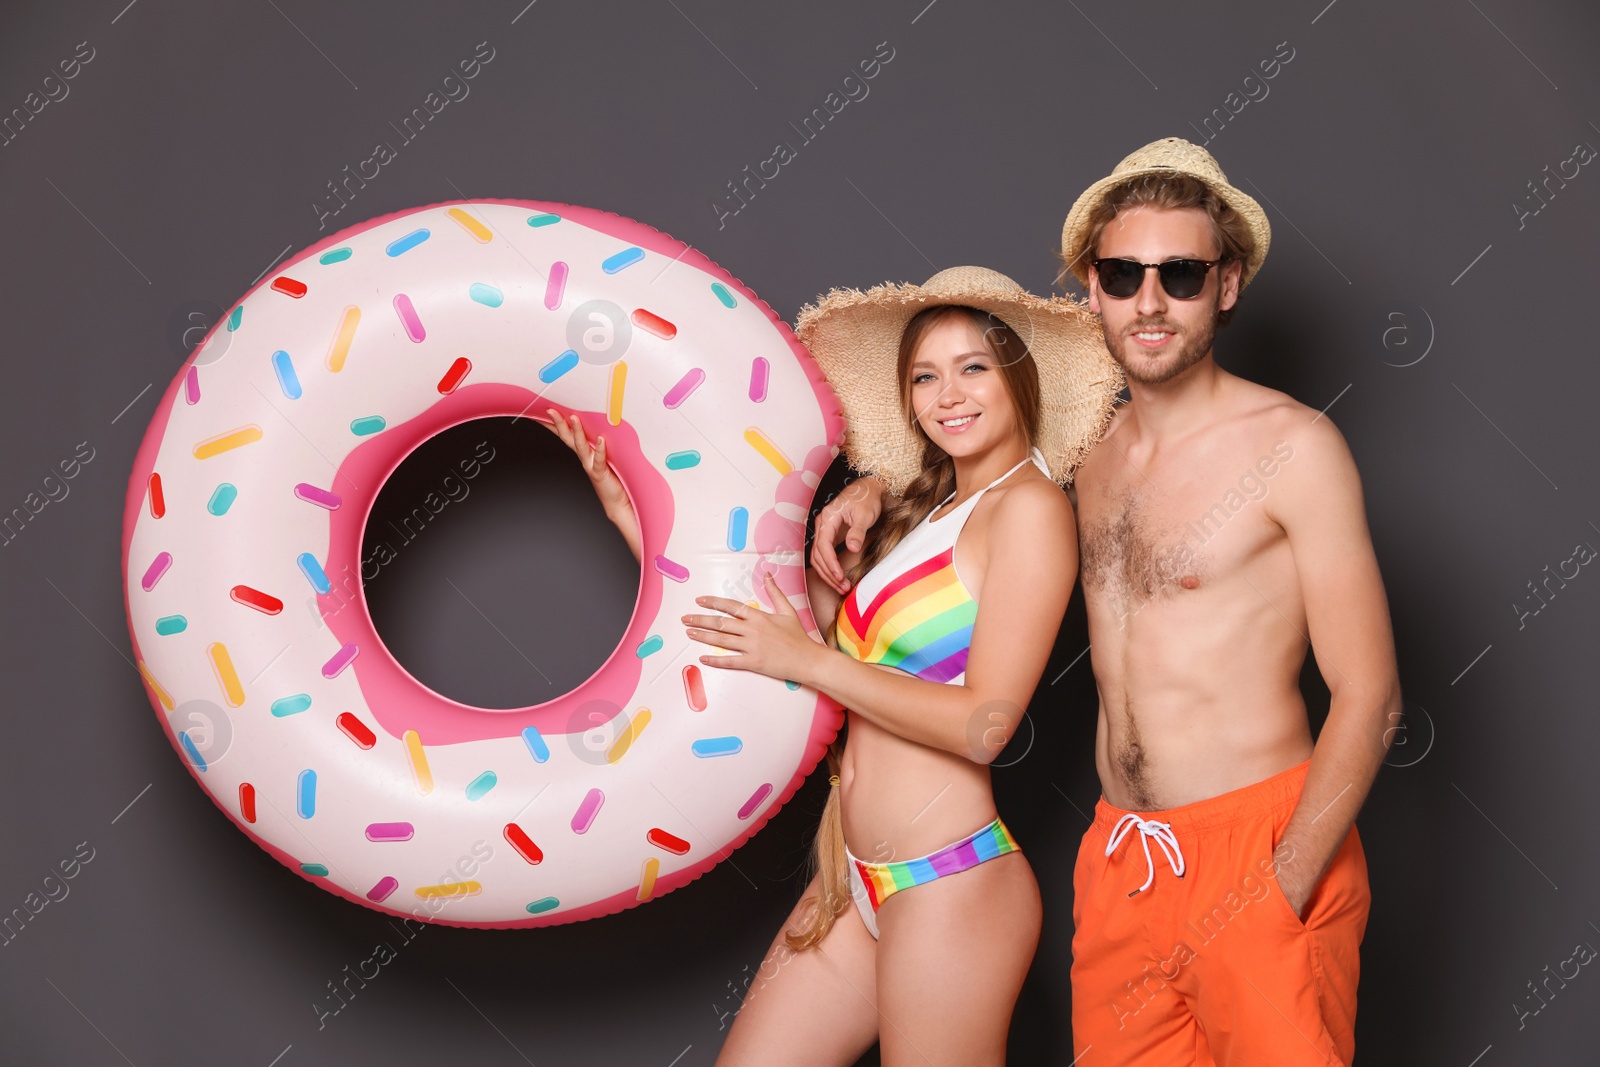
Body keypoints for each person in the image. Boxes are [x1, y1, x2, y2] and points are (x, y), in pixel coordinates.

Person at [810, 139, 1401, 1066]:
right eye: (1124, 274)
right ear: (1093, 288)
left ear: (1228, 283)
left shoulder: (1295, 447)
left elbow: (1371, 695)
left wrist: (1284, 882)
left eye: (1182, 274)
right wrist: (872, 488)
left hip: (1258, 851)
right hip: (1122, 860)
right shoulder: (1083, 457)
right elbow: (973, 453)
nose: (1151, 300)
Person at [548, 265, 1121, 1065]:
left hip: (950, 882)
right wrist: (633, 517)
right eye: (924, 376)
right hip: (854, 879)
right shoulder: (931, 517)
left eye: (972, 368)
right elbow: (780, 626)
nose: (947, 394)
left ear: (1017, 376)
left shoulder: (1031, 510)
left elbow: (985, 725)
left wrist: (809, 664)